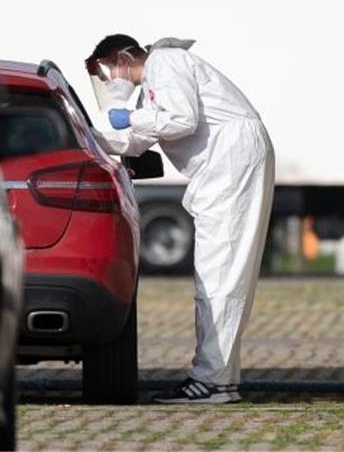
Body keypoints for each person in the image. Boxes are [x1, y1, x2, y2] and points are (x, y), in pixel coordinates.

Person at [84, 34, 275, 404]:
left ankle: (213, 381)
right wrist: (92, 138)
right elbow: (137, 141)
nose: (109, 82)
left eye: (108, 71)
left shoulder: (165, 62)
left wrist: (130, 116)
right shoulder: (155, 82)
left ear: (124, 57)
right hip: (227, 162)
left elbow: (181, 120)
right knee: (220, 271)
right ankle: (219, 379)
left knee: (219, 271)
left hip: (231, 160)